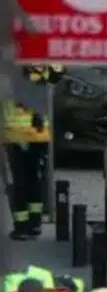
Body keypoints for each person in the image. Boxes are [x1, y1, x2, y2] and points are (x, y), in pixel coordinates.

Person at [4, 100, 50, 240]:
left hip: (16, 137)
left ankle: (22, 227)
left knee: (19, 183)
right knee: (34, 181)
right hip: (38, 136)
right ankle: (35, 224)